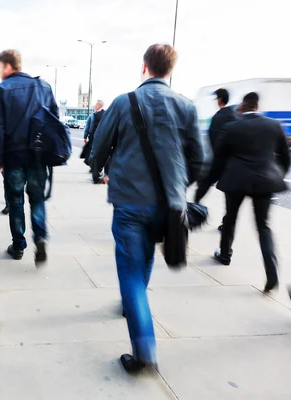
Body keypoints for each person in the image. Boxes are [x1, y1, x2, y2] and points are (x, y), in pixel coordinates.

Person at [90, 44, 204, 372]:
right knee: (147, 255)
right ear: (171, 70)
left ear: (144, 67)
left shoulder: (124, 102)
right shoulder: (186, 106)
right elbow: (198, 158)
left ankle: (144, 350)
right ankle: (132, 305)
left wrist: (99, 171)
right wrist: (179, 186)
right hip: (168, 204)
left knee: (129, 269)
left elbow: (100, 145)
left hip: (129, 200)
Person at [197, 92, 291, 292]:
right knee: (263, 226)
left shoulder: (232, 127)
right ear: (257, 106)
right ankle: (271, 271)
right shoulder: (273, 126)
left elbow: (218, 160)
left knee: (230, 218)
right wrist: (275, 175)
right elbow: (286, 157)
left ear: (243, 106)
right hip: (264, 182)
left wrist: (205, 185)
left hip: (236, 180)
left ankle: (224, 255)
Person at [0, 49, 58, 263]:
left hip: (13, 157)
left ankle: (18, 245)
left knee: (16, 200)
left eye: (0, 67)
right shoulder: (44, 87)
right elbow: (54, 120)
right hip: (38, 156)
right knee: (37, 199)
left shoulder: (1, 90)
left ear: (8, 66)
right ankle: (40, 237)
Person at [195, 88, 236, 230]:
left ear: (219, 99)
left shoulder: (218, 117)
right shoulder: (235, 115)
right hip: (233, 162)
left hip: (219, 160)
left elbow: (213, 140)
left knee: (204, 184)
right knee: (230, 196)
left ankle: (194, 207)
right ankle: (226, 223)